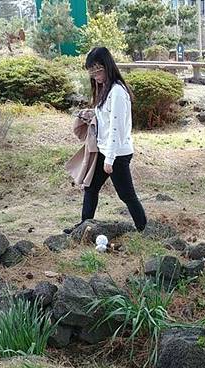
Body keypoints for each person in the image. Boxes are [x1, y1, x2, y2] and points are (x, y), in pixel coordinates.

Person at [66, 46, 147, 234]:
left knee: (126, 195)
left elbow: (116, 127)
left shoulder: (118, 91)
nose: (95, 76)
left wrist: (109, 159)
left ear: (107, 66)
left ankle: (143, 229)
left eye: (97, 70)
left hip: (117, 153)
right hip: (105, 150)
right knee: (91, 188)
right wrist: (92, 113)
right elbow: (107, 117)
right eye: (91, 72)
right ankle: (84, 228)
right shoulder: (106, 90)